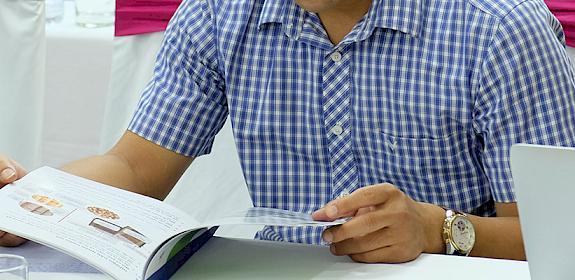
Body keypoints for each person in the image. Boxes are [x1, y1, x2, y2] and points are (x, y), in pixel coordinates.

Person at [2, 0, 575, 263]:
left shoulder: (499, 28)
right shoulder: (220, 15)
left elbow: (557, 239)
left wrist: (437, 228)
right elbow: (132, 168)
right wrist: (30, 202)